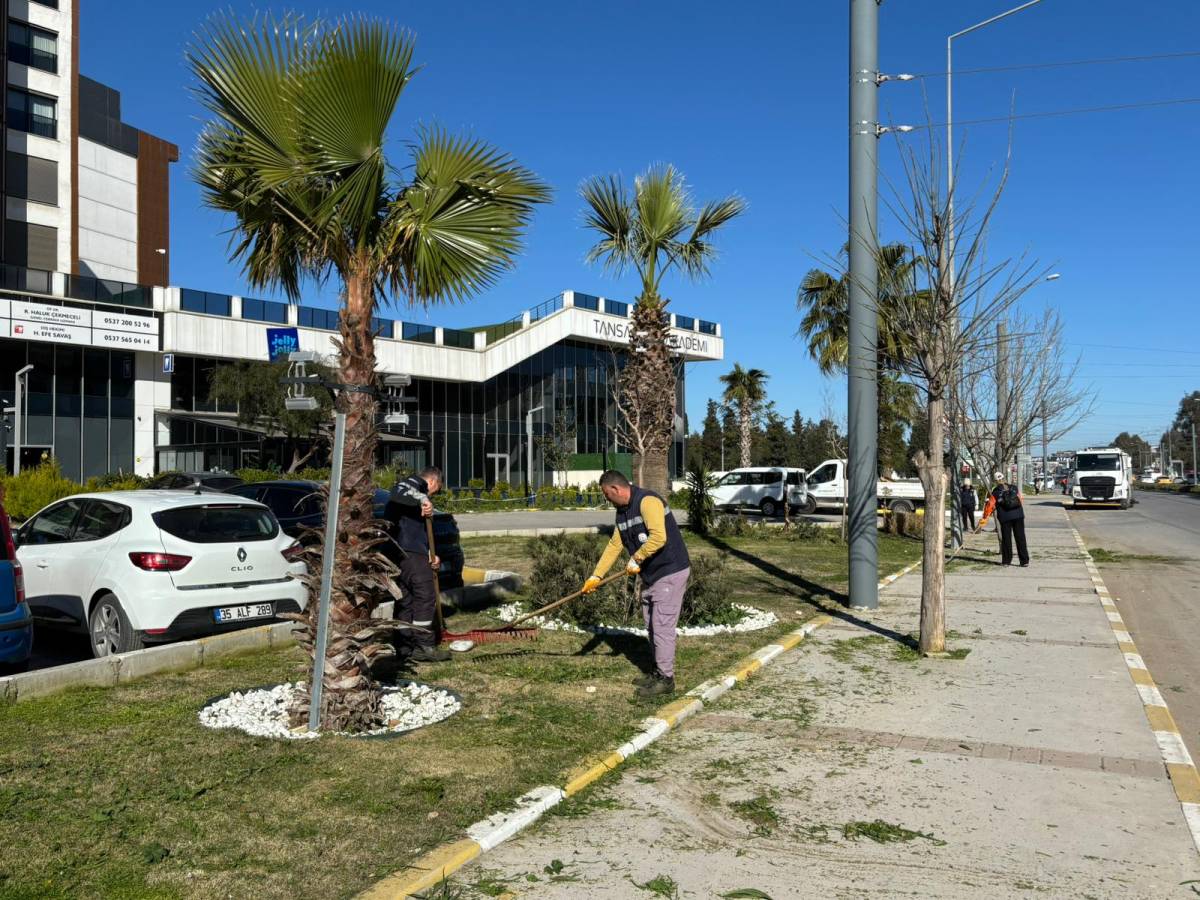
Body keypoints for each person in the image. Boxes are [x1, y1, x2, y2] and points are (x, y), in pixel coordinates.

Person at [584, 470, 691, 698]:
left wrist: (637, 557)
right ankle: (658, 670)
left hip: (670, 570)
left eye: (606, 495)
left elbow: (659, 537)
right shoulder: (622, 513)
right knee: (651, 624)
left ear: (616, 489)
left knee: (661, 625)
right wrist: (596, 576)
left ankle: (666, 679)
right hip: (652, 575)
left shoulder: (647, 501)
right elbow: (615, 545)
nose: (606, 499)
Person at [383, 466, 450, 662]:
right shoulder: (414, 484)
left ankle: (405, 645)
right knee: (425, 595)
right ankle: (424, 645)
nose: (432, 494)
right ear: (432, 482)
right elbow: (397, 492)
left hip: (403, 552)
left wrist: (432, 554)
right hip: (409, 551)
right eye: (434, 490)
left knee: (406, 600)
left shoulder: (416, 496)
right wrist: (422, 498)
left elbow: (418, 529)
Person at [990, 471, 1030, 567]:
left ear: (995, 481)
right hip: (1018, 515)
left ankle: (1006, 561)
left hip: (1005, 518)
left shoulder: (995, 492)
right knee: (1020, 538)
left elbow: (990, 506)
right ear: (1004, 478)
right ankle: (1024, 561)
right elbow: (1020, 500)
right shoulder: (1014, 488)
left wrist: (983, 520)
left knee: (1006, 539)